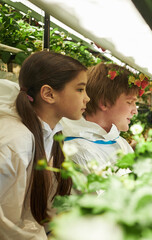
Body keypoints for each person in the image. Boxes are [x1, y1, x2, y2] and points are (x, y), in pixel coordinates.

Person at [0, 51, 90, 239]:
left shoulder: (51, 133)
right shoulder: (16, 141)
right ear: (48, 94)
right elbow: (6, 222)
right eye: (80, 89)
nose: (87, 98)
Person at [61, 62, 138, 175]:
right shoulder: (78, 150)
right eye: (130, 102)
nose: (135, 111)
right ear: (105, 103)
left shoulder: (120, 142)